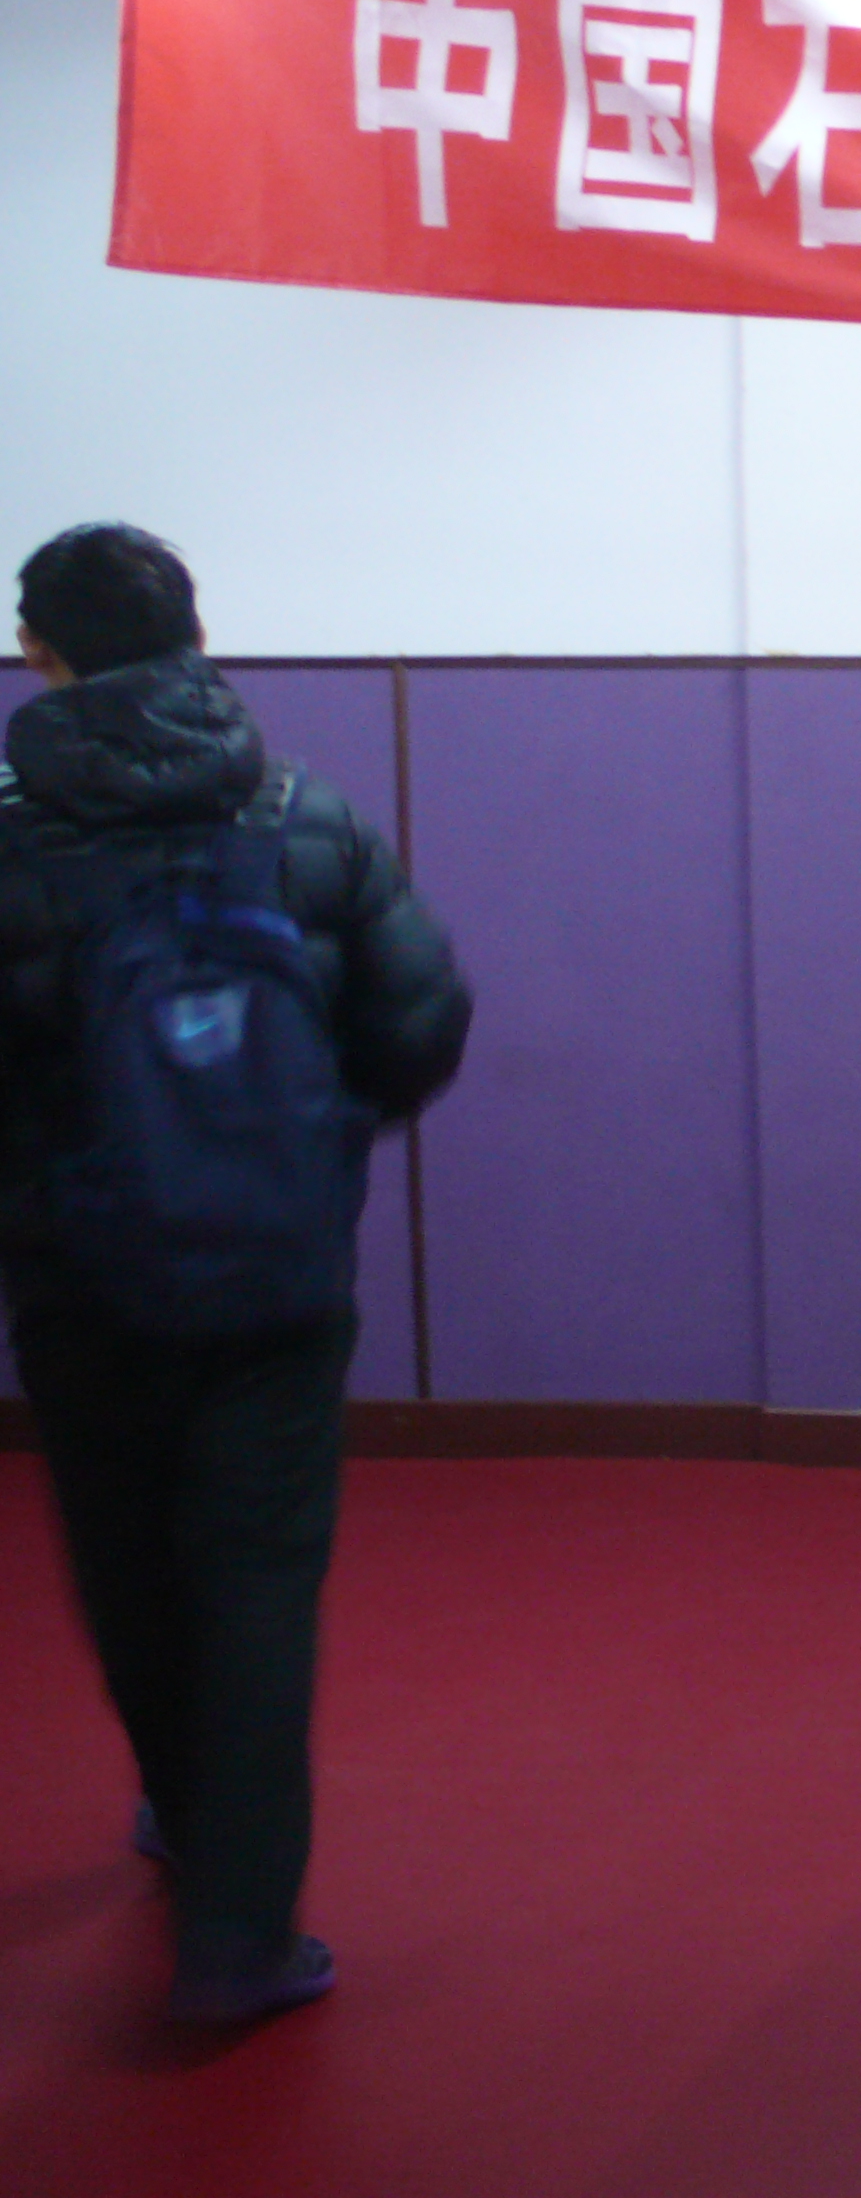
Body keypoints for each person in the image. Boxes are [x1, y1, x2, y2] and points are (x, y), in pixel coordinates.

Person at [0, 521, 471, 2025]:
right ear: (198, 639)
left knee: (129, 1561)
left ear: (40, 655)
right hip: (277, 1279)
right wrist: (305, 1139)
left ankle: (181, 1810)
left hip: (79, 1286)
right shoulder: (304, 815)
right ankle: (241, 1940)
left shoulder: (8, 839)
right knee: (259, 1583)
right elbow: (420, 1023)